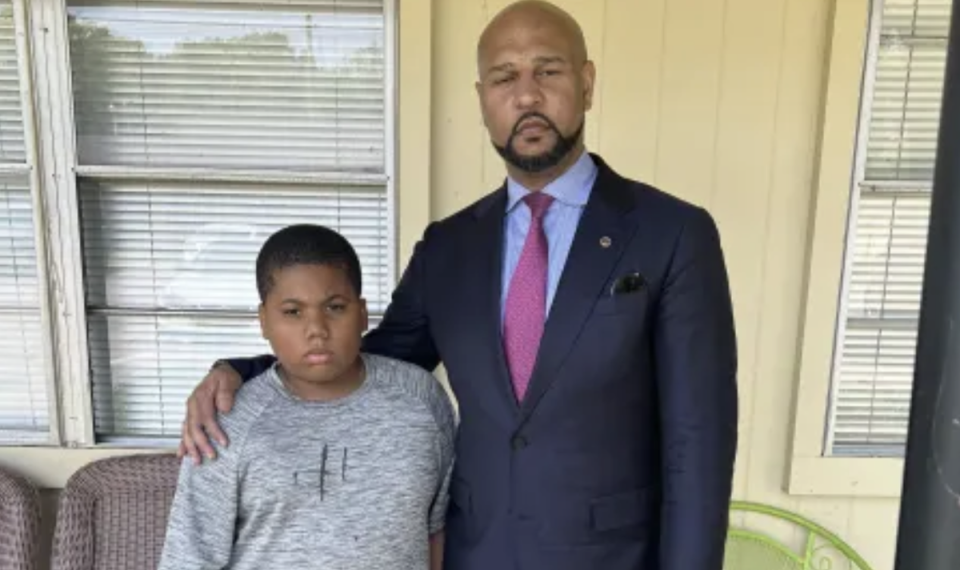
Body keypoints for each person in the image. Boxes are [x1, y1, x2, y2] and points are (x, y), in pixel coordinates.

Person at [179, 1, 738, 569]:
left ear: (587, 82)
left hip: (612, 554)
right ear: (482, 100)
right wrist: (243, 371)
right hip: (479, 552)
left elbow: (699, 441)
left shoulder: (671, 233)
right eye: (505, 77)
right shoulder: (449, 247)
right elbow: (373, 354)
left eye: (548, 71)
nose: (527, 96)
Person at [159, 224, 455, 570]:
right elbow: (190, 557)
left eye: (334, 307)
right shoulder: (227, 421)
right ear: (263, 320)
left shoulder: (422, 401)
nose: (316, 329)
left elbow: (435, 531)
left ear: (361, 313)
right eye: (293, 312)